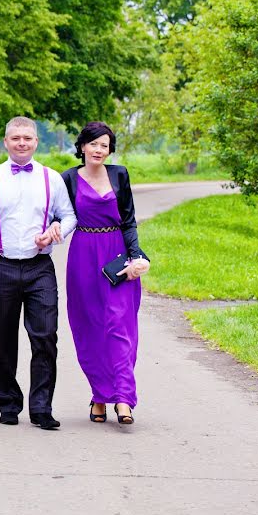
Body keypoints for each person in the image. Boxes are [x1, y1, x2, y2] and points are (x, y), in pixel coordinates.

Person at [0, 116, 76, 430]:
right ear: (6, 142)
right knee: (2, 338)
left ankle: (41, 408)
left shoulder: (52, 179)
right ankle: (8, 403)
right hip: (1, 266)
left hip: (40, 267)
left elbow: (69, 217)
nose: (22, 143)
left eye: (27, 138)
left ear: (36, 142)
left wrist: (56, 231)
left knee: (45, 336)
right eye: (16, 138)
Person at [61, 122, 150, 425]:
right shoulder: (68, 179)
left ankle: (124, 398)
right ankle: (100, 395)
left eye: (105, 145)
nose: (99, 150)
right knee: (90, 328)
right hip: (83, 255)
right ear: (82, 146)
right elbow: (59, 217)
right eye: (94, 144)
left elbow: (129, 220)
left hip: (116, 256)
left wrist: (136, 256)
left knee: (119, 325)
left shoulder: (119, 174)